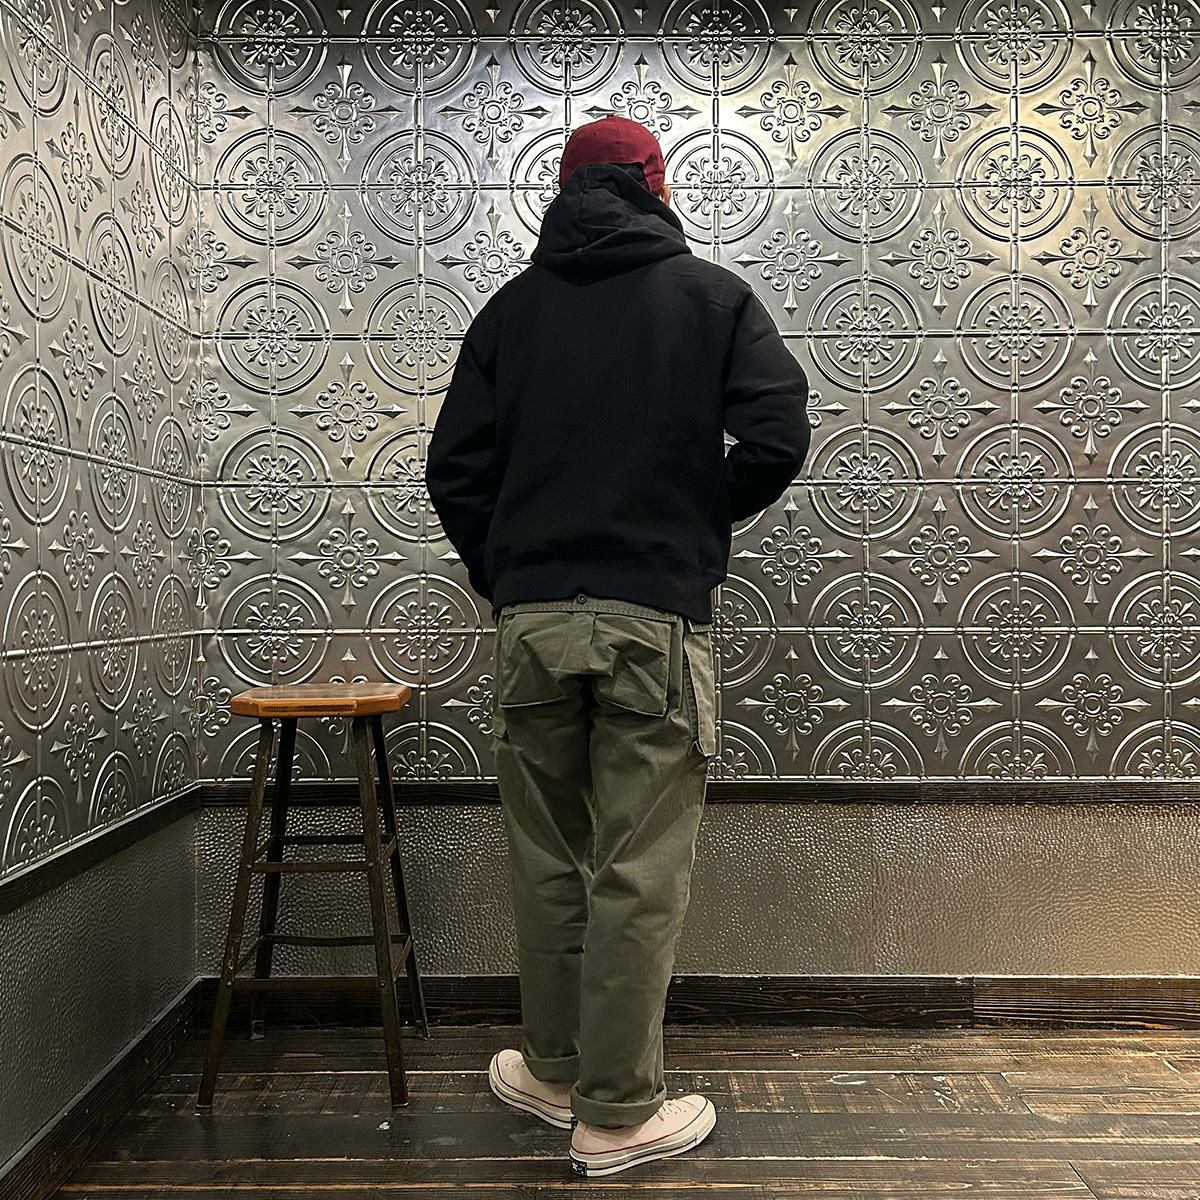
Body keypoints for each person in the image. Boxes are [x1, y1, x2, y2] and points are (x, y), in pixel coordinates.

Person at [425, 114, 810, 1178]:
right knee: (638, 870)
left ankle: (553, 1070)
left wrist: (510, 571)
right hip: (653, 623)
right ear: (660, 187)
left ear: (561, 192)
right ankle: (618, 1113)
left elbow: (454, 471)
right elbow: (778, 435)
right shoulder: (714, 299)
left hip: (534, 623)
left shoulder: (509, 313)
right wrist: (688, 519)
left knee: (547, 857)